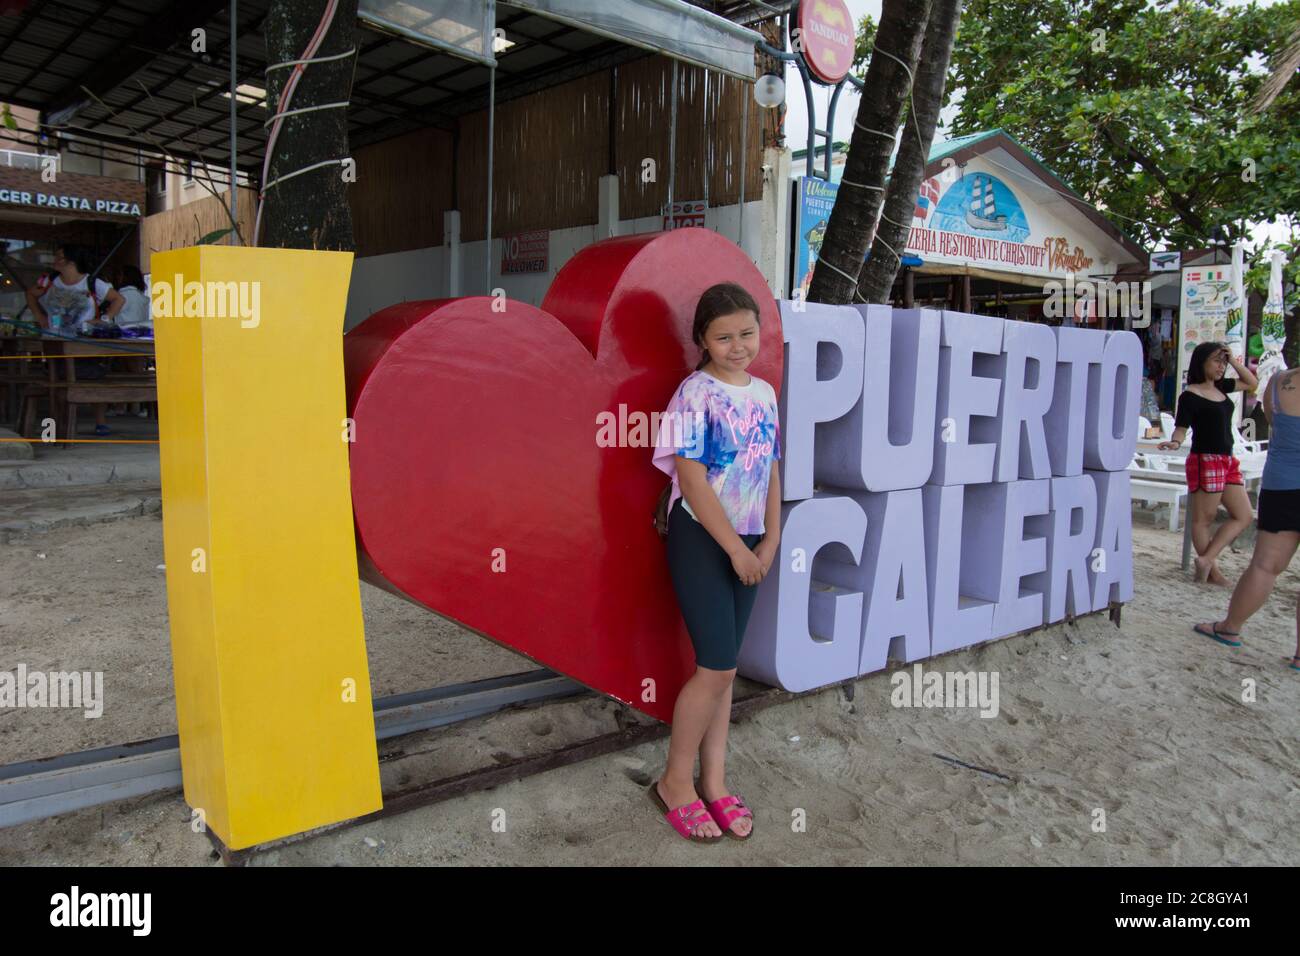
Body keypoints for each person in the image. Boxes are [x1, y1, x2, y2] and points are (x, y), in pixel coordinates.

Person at [649, 283, 782, 842]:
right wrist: (734, 549)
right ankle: (675, 782)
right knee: (717, 666)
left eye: (746, 333)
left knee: (724, 670)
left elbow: (771, 468)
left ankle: (716, 781)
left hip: (751, 539)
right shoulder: (693, 394)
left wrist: (771, 540)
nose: (737, 346)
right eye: (723, 336)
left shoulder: (767, 393)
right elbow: (691, 477)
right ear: (702, 339)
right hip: (703, 537)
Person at [1195, 366, 1300, 671]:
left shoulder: (1279, 382)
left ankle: (1230, 627)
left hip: (1282, 485)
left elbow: (1272, 423)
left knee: (1265, 566)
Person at [1159, 342, 1258, 584]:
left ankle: (1207, 560)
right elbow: (1181, 428)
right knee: (1204, 519)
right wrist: (1174, 442)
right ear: (1201, 362)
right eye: (1216, 360)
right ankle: (1212, 573)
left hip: (1227, 459)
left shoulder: (1222, 387)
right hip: (1205, 459)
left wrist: (1234, 361)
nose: (1220, 366)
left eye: (1222, 362)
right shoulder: (1190, 395)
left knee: (1244, 515)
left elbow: (1251, 383)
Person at [23, 244, 127, 436]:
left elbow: (118, 299)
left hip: (85, 341)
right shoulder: (49, 281)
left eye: (60, 257)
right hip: (56, 341)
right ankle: (57, 421)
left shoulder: (92, 283)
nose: (55, 260)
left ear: (71, 261)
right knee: (57, 377)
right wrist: (40, 316)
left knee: (94, 377)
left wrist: (103, 319)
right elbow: (31, 294)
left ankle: (100, 421)